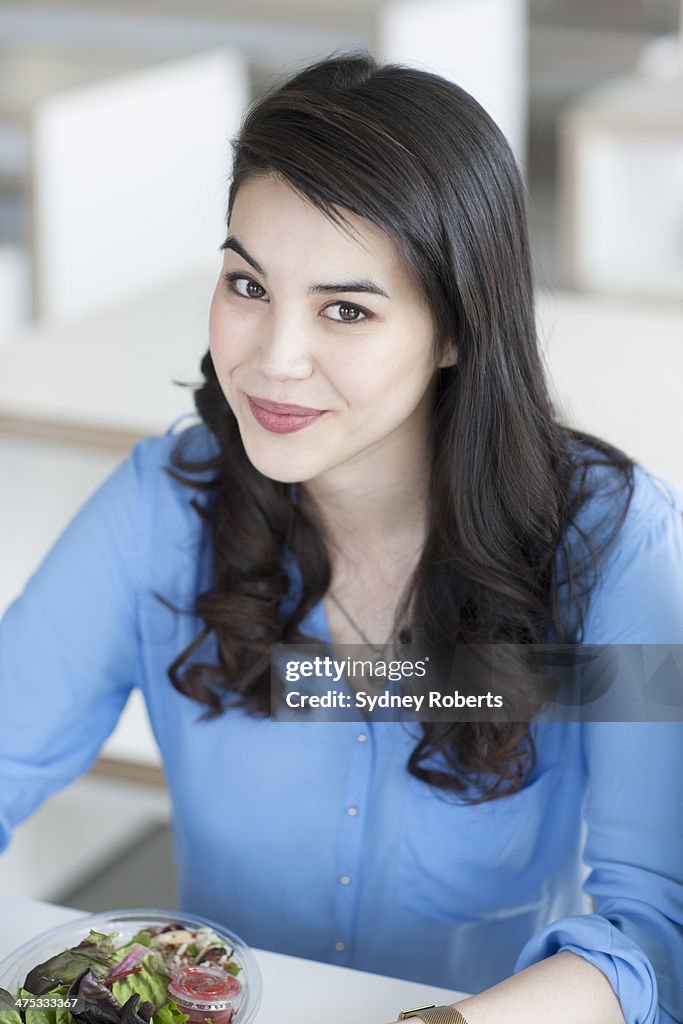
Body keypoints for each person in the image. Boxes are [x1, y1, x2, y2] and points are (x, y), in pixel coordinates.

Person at [1, 51, 682, 1024]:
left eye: (346, 308)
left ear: (454, 328)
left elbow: (654, 932)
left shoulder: (614, 548)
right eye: (246, 285)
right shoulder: (163, 505)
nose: (273, 360)